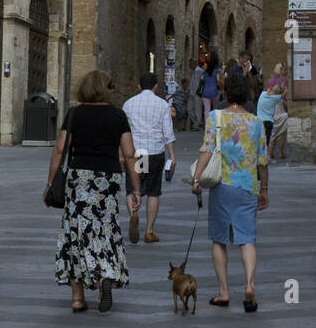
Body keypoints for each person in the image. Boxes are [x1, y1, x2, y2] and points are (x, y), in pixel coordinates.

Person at [46, 69, 140, 313]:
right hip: (107, 180)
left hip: (79, 180)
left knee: (75, 232)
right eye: (110, 87)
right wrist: (136, 188)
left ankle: (77, 298)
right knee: (105, 228)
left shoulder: (75, 114)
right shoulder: (118, 115)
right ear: (104, 88)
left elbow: (59, 150)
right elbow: (130, 154)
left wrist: (50, 183)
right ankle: (104, 274)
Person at [191, 72, 268, 311]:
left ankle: (223, 292)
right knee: (247, 240)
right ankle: (249, 284)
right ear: (246, 94)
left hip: (222, 185)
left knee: (219, 238)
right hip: (247, 186)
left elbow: (206, 150)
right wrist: (264, 189)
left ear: (226, 92)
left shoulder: (216, 118)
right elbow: (262, 161)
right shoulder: (256, 122)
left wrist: (197, 178)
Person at [122, 71, 176, 244]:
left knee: (132, 189)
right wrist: (172, 155)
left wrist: (121, 154)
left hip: (137, 153)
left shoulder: (129, 104)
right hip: (154, 152)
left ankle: (134, 215)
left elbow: (123, 132)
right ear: (156, 86)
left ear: (139, 86)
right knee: (153, 191)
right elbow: (168, 132)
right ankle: (149, 231)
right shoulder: (162, 105)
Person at [268, 93, 288, 160]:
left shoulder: (269, 99)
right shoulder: (281, 100)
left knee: (273, 136)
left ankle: (270, 154)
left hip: (273, 119)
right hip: (281, 118)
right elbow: (287, 105)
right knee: (282, 135)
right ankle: (280, 153)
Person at [201, 53, 220, 122]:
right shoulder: (216, 72)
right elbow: (218, 81)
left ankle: (207, 125)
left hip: (205, 92)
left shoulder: (204, 72)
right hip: (214, 92)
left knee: (207, 109)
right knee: (215, 109)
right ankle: (215, 123)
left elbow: (201, 79)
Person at [187, 59, 204, 130]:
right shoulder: (194, 72)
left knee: (198, 109)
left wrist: (196, 92)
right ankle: (198, 122)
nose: (189, 65)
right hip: (192, 93)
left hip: (197, 93)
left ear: (194, 63)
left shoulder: (200, 71)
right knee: (189, 109)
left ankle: (197, 124)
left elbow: (199, 83)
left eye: (190, 64)